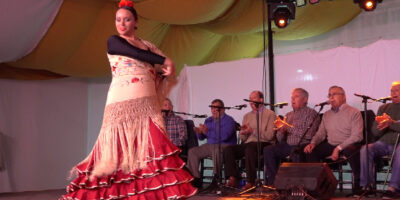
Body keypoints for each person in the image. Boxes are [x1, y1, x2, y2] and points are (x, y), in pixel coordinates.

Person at [59, 1, 197, 199]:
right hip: (122, 105)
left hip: (148, 107)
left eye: (126, 19)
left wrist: (164, 73)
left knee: (154, 151)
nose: (121, 23)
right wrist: (165, 61)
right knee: (116, 155)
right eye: (118, 20)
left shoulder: (149, 46)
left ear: (136, 22)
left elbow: (153, 71)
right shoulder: (114, 41)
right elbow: (136, 54)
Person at [304, 85, 363, 193]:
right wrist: (313, 143)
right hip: (331, 144)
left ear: (343, 96)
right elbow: (320, 133)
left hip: (348, 143)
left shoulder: (354, 112)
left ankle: (358, 186)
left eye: (334, 94)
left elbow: (357, 136)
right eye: (329, 95)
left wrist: (339, 148)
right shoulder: (326, 114)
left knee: (352, 150)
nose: (331, 98)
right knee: (311, 151)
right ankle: (320, 186)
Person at [263, 88, 320, 186]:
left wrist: (287, 128)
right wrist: (280, 130)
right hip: (287, 145)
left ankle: (296, 185)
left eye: (296, 97)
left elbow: (308, 135)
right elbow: (280, 139)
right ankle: (274, 183)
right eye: (291, 97)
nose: (292, 100)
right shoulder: (288, 115)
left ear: (305, 99)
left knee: (296, 151)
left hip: (303, 144)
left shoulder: (311, 113)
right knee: (268, 150)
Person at [224, 90, 276, 190]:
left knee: (250, 148)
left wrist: (253, 131)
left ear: (261, 100)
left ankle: (250, 181)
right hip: (249, 143)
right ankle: (234, 178)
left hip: (265, 143)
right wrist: (244, 132)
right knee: (228, 149)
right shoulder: (247, 116)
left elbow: (270, 136)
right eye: (250, 99)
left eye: (253, 98)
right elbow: (242, 138)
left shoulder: (270, 114)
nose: (251, 101)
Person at [360, 81, 400, 198]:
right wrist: (381, 125)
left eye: (397, 90)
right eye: (392, 91)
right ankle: (367, 186)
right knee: (366, 149)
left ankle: (393, 188)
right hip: (384, 142)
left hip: (398, 144)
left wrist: (390, 123)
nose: (393, 93)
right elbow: (375, 132)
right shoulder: (383, 107)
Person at [187, 99, 237, 188]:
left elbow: (224, 137)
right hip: (210, 145)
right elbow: (202, 138)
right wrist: (199, 132)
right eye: (212, 108)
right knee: (192, 151)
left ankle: (217, 177)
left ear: (222, 109)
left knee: (215, 149)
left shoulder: (229, 120)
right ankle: (195, 179)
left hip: (225, 145)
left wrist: (206, 132)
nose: (213, 110)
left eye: (215, 108)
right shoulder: (208, 120)